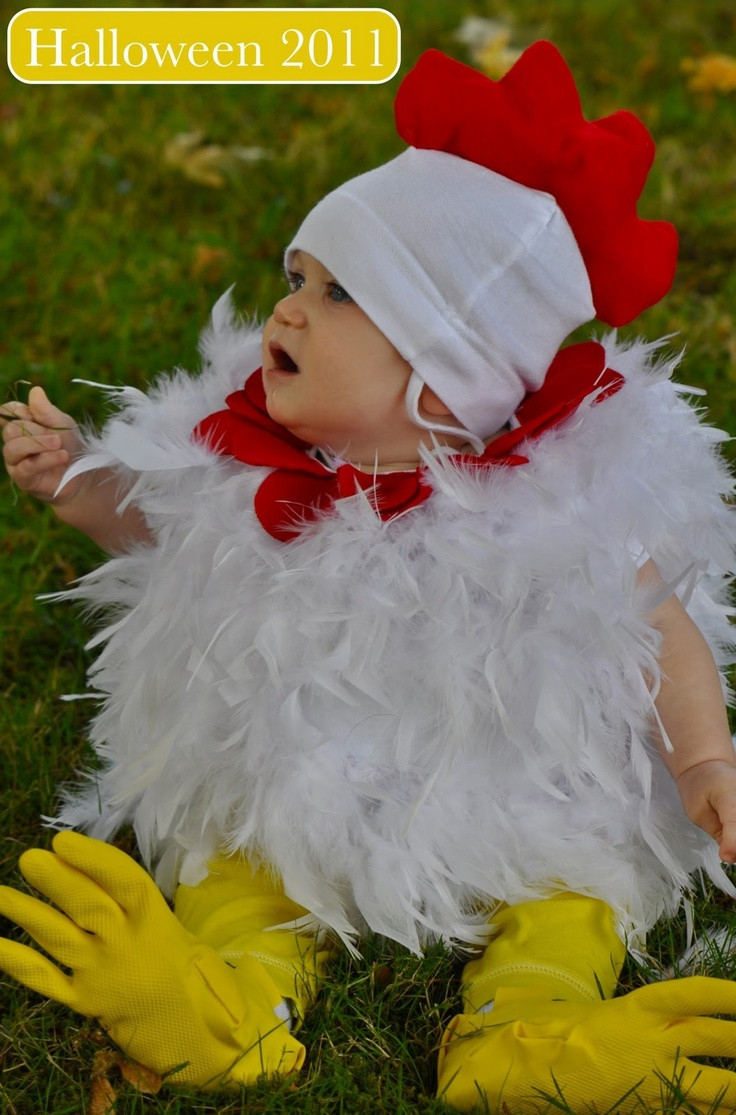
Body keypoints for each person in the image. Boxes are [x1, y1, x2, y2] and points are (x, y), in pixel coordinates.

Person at [2, 41, 736, 1112]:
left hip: (516, 795)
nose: (288, 309)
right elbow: (168, 529)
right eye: (298, 278)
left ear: (446, 383)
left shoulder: (562, 514)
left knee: (570, 898)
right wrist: (77, 481)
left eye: (340, 295)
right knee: (243, 867)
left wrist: (704, 754)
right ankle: (224, 1001)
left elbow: (652, 627)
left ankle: (523, 1031)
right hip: (295, 781)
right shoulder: (245, 450)